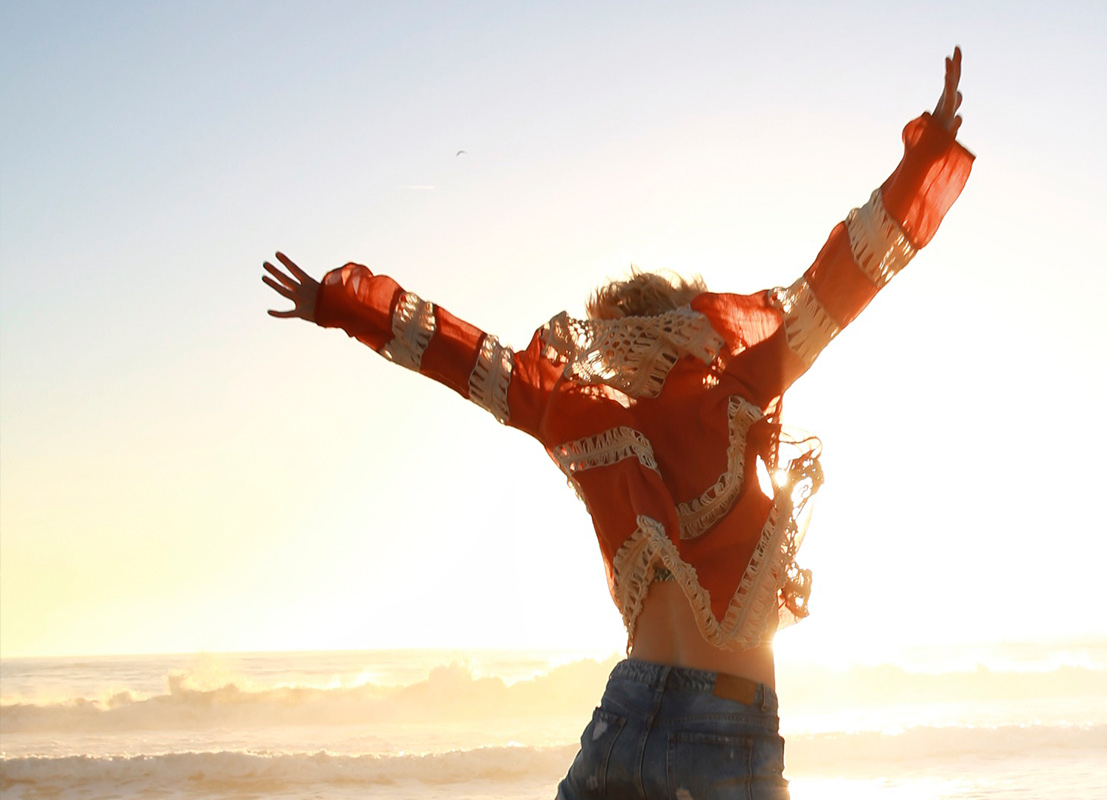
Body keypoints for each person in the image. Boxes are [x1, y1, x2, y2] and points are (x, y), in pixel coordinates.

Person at [260, 49, 974, 800]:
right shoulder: (740, 382)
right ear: (691, 319)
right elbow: (847, 273)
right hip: (722, 736)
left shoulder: (573, 414)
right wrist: (927, 157)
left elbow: (459, 354)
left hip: (620, 722)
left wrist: (341, 305)